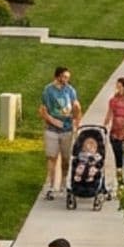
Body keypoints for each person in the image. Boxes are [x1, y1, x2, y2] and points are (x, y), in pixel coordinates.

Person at [39, 65, 81, 200]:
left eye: (68, 77)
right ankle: (50, 186)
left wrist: (76, 122)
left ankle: (63, 183)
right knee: (52, 157)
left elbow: (76, 108)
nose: (67, 80)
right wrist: (52, 120)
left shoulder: (70, 91)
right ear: (57, 76)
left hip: (67, 129)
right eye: (64, 77)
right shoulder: (48, 91)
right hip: (52, 130)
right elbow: (42, 110)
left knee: (66, 159)